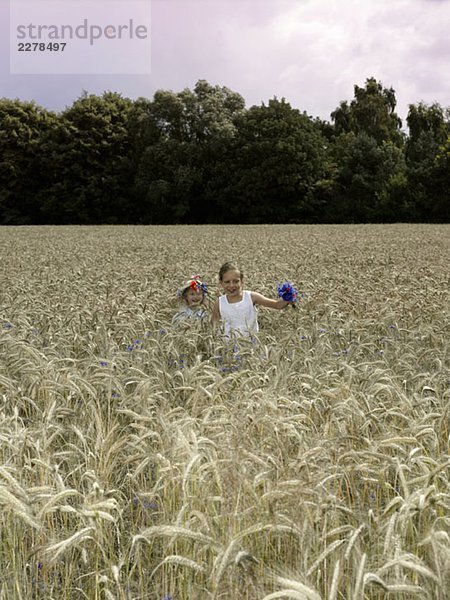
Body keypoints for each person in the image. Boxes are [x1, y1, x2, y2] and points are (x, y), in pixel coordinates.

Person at [211, 261, 296, 338]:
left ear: (242, 281)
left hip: (251, 347)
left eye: (236, 281)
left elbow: (277, 305)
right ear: (221, 283)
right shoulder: (219, 303)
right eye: (227, 282)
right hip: (227, 349)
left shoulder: (251, 297)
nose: (231, 285)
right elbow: (214, 327)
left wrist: (288, 297)